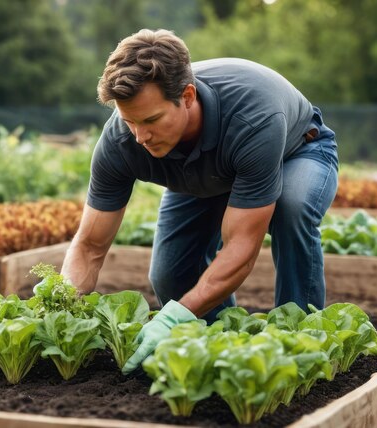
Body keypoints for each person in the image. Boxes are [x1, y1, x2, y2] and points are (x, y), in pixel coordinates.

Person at [61, 29, 339, 374]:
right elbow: (89, 246)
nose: (140, 136)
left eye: (151, 120)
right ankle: (222, 354)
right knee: (169, 274)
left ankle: (301, 344)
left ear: (188, 96)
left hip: (296, 150)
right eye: (129, 120)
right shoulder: (122, 141)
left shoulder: (252, 118)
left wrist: (175, 316)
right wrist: (61, 301)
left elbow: (240, 248)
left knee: (292, 208)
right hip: (204, 172)